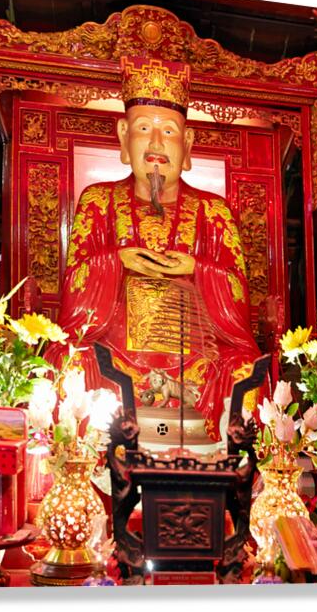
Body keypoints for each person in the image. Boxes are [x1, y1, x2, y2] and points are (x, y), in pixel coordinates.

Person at [53, 55, 260, 440]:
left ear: (189, 142)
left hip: (198, 357)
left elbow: (237, 295)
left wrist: (196, 268)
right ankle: (84, 468)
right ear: (122, 136)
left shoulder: (213, 211)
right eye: (143, 128)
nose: (155, 143)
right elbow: (74, 290)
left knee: (246, 368)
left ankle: (234, 470)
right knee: (68, 361)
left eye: (169, 131)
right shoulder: (97, 201)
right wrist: (116, 261)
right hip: (113, 355)